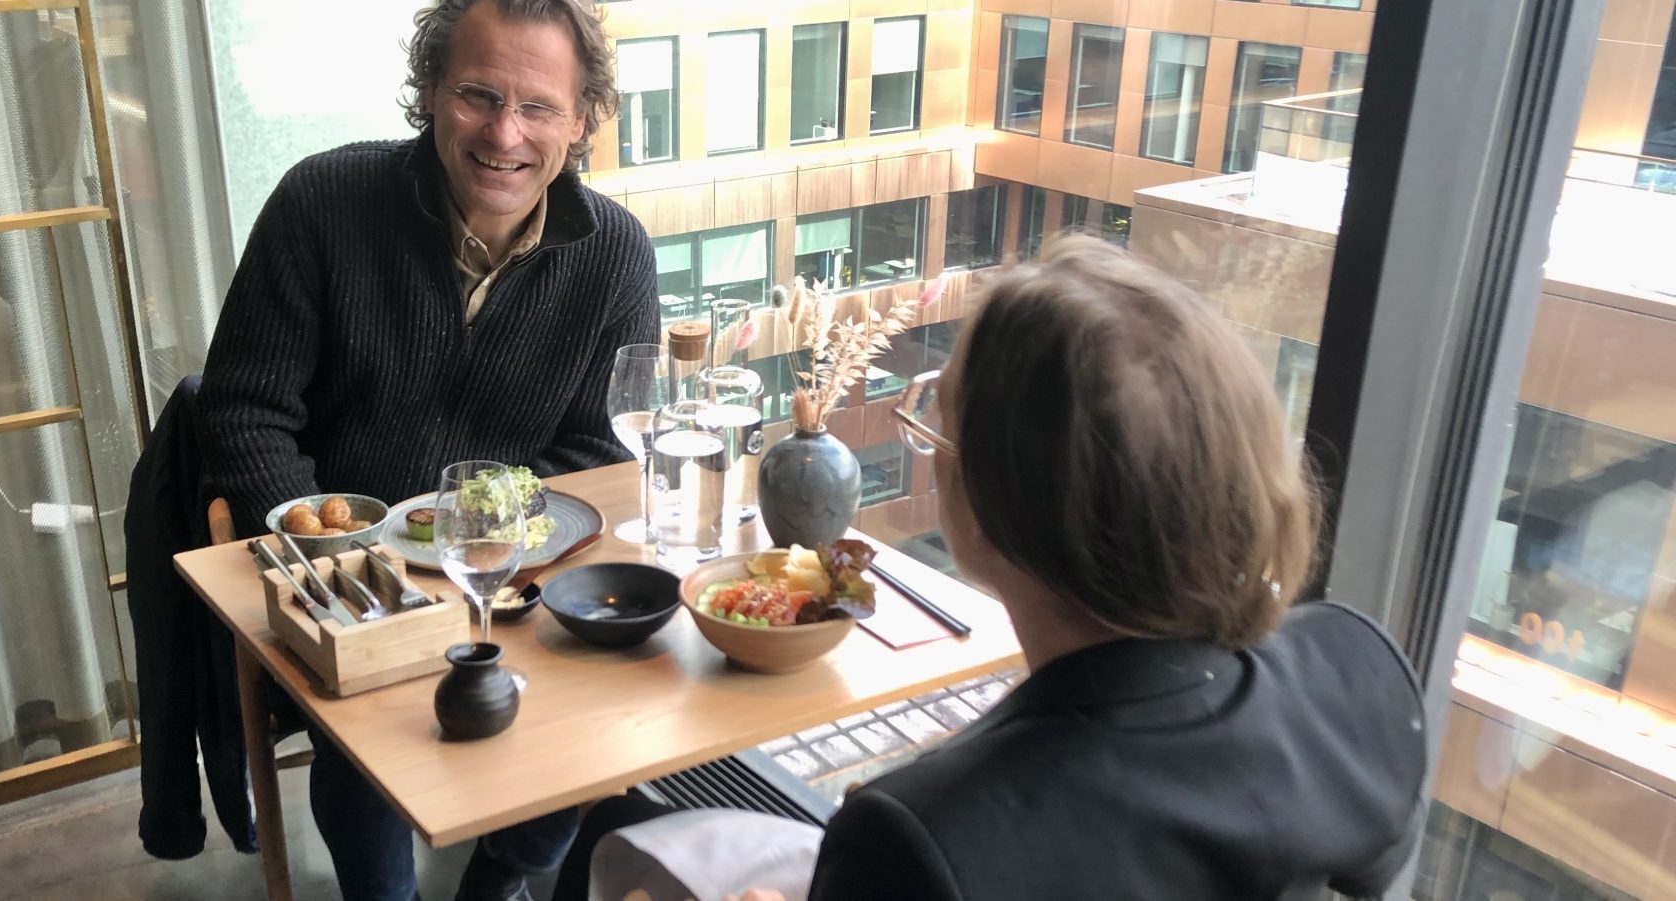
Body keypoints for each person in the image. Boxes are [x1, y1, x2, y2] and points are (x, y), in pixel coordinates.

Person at [556, 236, 1429, 900]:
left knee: (614, 843)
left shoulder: (921, 838)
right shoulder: (1356, 673)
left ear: (985, 509)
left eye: (942, 427)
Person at [198, 0, 659, 901]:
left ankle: (500, 881)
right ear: (431, 91)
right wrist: (343, 562)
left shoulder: (614, 254)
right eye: (477, 95)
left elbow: (597, 447)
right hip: (350, 575)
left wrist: (492, 550)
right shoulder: (322, 203)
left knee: (607, 695)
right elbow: (245, 412)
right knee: (369, 720)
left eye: (538, 107)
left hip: (511, 569)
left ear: (580, 122)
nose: (504, 133)